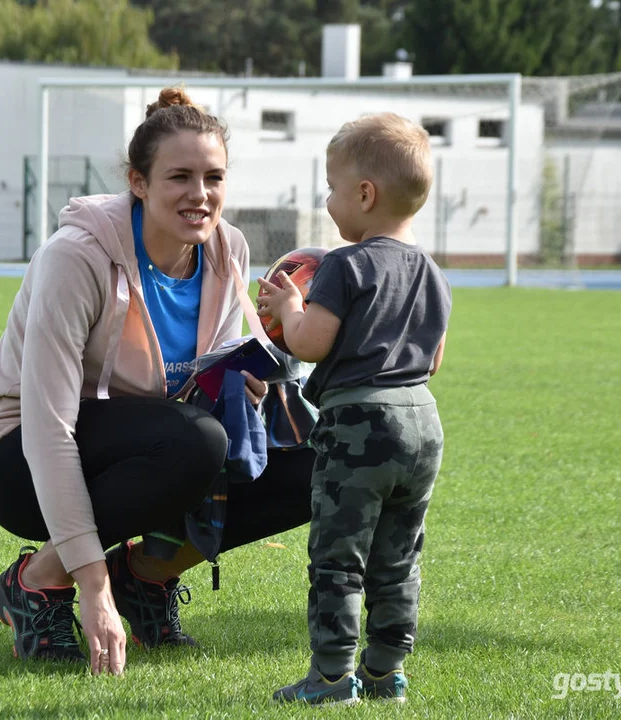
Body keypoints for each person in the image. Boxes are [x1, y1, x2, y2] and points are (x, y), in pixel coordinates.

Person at [0, 87, 314, 676]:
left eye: (213, 177)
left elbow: (247, 360)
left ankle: (147, 576)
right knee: (195, 440)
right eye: (179, 176)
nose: (199, 195)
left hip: (155, 442)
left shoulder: (227, 249)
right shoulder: (75, 258)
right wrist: (91, 584)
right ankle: (37, 582)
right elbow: (49, 428)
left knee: (318, 462)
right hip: (19, 456)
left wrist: (272, 368)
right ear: (138, 182)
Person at [257, 112, 451, 706]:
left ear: (364, 195)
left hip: (359, 425)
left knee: (338, 557)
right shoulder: (434, 273)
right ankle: (386, 672)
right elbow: (434, 359)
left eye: (332, 188)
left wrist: (291, 307)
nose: (328, 200)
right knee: (398, 556)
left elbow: (312, 343)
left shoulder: (346, 264)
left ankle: (333, 678)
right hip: (422, 422)